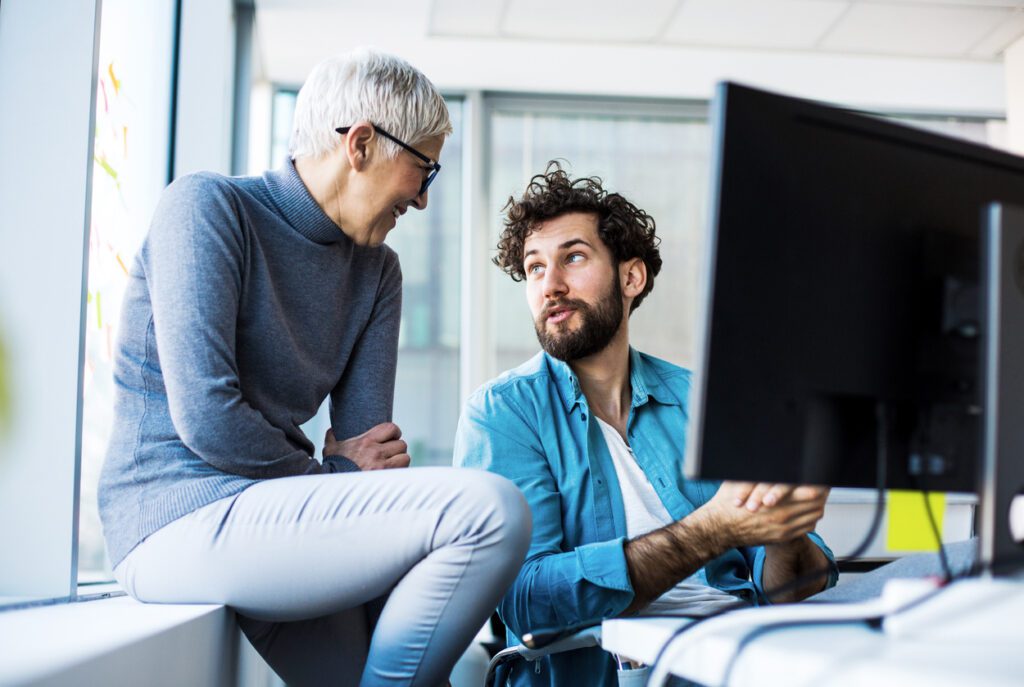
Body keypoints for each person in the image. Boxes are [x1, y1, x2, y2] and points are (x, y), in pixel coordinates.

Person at [98, 49, 530, 687]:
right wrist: (329, 475)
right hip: (171, 519)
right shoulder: (207, 207)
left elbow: (370, 458)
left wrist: (337, 479)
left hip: (278, 518)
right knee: (491, 510)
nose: (423, 199)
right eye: (424, 169)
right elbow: (209, 420)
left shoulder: (377, 271)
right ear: (361, 144)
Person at [454, 162, 838, 686]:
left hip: (740, 665)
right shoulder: (502, 414)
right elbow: (527, 600)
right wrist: (712, 530)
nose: (550, 286)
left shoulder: (701, 401)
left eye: (573, 257)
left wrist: (784, 531)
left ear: (631, 278)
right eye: (535, 267)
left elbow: (795, 591)